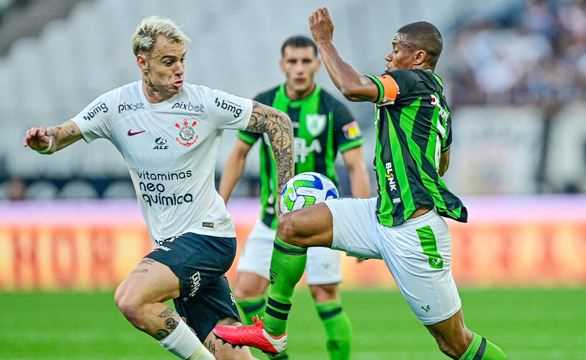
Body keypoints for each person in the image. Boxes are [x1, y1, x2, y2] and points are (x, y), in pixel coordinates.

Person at [214, 8, 507, 360]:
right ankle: (273, 332)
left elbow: (353, 88)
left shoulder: (412, 81)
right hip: (380, 214)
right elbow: (442, 163)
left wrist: (324, 40)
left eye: (396, 48)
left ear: (418, 58)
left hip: (413, 232)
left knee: (454, 342)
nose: (389, 54)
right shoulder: (438, 100)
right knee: (292, 225)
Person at [23, 16, 294, 360]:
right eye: (169, 61)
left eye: (182, 60)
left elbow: (277, 121)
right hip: (174, 249)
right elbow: (61, 136)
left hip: (208, 238)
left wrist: (287, 201)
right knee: (233, 356)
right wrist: (44, 140)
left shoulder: (203, 103)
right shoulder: (117, 106)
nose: (179, 69)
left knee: (131, 298)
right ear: (142, 62)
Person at [219, 35, 370, 360]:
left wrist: (362, 218)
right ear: (282, 64)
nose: (299, 68)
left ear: (317, 63)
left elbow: (356, 166)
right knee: (245, 291)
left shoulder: (334, 110)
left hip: (320, 222)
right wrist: (220, 204)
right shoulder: (265, 104)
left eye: (305, 61)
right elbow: (238, 154)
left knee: (324, 294)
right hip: (272, 219)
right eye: (292, 61)